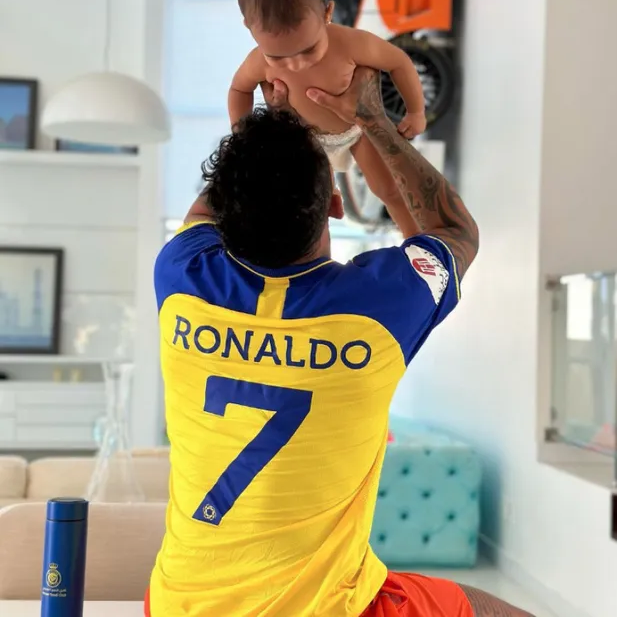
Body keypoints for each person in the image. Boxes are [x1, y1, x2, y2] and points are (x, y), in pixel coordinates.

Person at [147, 67, 534, 617]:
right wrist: (371, 118)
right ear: (335, 203)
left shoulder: (182, 279)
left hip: (182, 605)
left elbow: (207, 209)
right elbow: (456, 232)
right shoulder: (376, 309)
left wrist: (273, 127)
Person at [229, 0, 425, 236]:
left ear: (327, 13)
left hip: (355, 130)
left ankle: (415, 237)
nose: (295, 64)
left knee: (387, 188)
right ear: (249, 27)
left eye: (309, 50)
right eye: (278, 57)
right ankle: (322, 225)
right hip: (305, 140)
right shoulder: (257, 61)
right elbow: (239, 90)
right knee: (310, 200)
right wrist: (242, 133)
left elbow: (398, 62)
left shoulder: (350, 43)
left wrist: (416, 111)